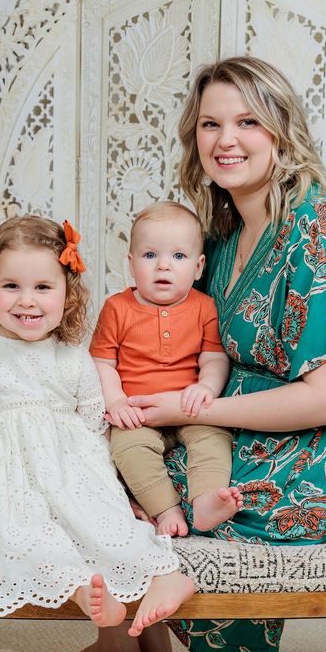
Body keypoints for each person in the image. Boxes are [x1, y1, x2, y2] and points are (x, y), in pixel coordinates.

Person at [50, 56, 326, 652]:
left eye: (247, 121)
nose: (225, 140)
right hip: (229, 425)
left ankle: (127, 651)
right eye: (210, 123)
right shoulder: (226, 236)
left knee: (145, 498)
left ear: (282, 132)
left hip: (320, 454)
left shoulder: (325, 228)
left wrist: (185, 409)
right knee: (92, 463)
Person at [0, 216, 194, 637]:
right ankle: (81, 588)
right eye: (11, 286)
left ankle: (166, 576)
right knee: (19, 532)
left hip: (73, 476)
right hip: (8, 482)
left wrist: (119, 497)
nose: (27, 301)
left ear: (67, 294)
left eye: (43, 287)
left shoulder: (72, 356)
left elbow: (98, 435)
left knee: (108, 528)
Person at [90, 201, 242, 537]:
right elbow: (103, 363)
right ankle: (166, 508)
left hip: (189, 408)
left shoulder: (204, 307)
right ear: (130, 264)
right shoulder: (117, 308)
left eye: (178, 257)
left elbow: (214, 358)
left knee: (215, 439)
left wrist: (207, 388)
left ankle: (205, 503)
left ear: (199, 266)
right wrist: (116, 402)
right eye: (149, 256)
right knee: (128, 450)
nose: (163, 267)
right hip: (138, 412)